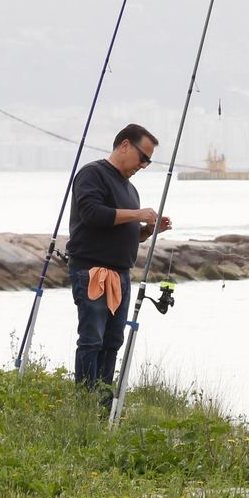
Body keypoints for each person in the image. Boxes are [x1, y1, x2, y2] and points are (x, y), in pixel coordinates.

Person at [66, 123, 172, 394]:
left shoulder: (130, 189)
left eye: (148, 161)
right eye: (143, 157)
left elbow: (125, 231)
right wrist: (137, 215)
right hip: (93, 272)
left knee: (113, 341)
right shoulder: (93, 174)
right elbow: (92, 214)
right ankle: (86, 399)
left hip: (121, 274)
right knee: (92, 339)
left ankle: (103, 398)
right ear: (125, 145)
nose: (144, 165)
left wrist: (148, 230)